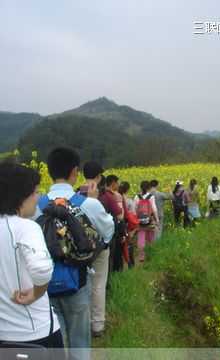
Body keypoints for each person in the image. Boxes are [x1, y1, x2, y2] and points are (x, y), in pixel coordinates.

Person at [34, 147, 114, 360]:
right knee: (79, 342)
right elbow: (108, 232)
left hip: (44, 284)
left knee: (55, 342)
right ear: (74, 171)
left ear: (49, 171)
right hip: (77, 280)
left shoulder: (36, 205)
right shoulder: (88, 203)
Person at [0, 162, 64, 355]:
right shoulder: (26, 227)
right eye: (36, 192)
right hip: (34, 332)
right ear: (20, 196)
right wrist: (37, 293)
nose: (38, 198)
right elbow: (41, 270)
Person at [77, 162, 111, 339]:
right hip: (98, 248)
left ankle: (84, 321)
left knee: (84, 285)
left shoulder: (75, 192)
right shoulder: (101, 195)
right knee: (98, 285)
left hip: (78, 249)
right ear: (98, 176)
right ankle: (97, 325)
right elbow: (108, 228)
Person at [99, 175, 126, 274]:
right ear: (113, 182)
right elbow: (120, 216)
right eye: (117, 182)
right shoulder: (110, 196)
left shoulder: (82, 193)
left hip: (92, 235)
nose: (118, 185)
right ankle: (109, 284)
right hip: (108, 233)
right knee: (108, 260)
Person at [134, 181, 159, 262]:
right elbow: (154, 209)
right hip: (150, 220)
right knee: (151, 237)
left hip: (140, 221)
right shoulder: (151, 196)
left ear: (140, 187)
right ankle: (150, 254)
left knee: (141, 238)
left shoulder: (137, 197)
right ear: (149, 188)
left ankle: (141, 256)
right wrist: (157, 219)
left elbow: (134, 209)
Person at [118, 182, 137, 269]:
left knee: (121, 246)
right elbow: (133, 213)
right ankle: (130, 264)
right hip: (128, 225)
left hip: (119, 225)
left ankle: (122, 265)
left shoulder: (117, 198)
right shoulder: (129, 201)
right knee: (129, 244)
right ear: (128, 189)